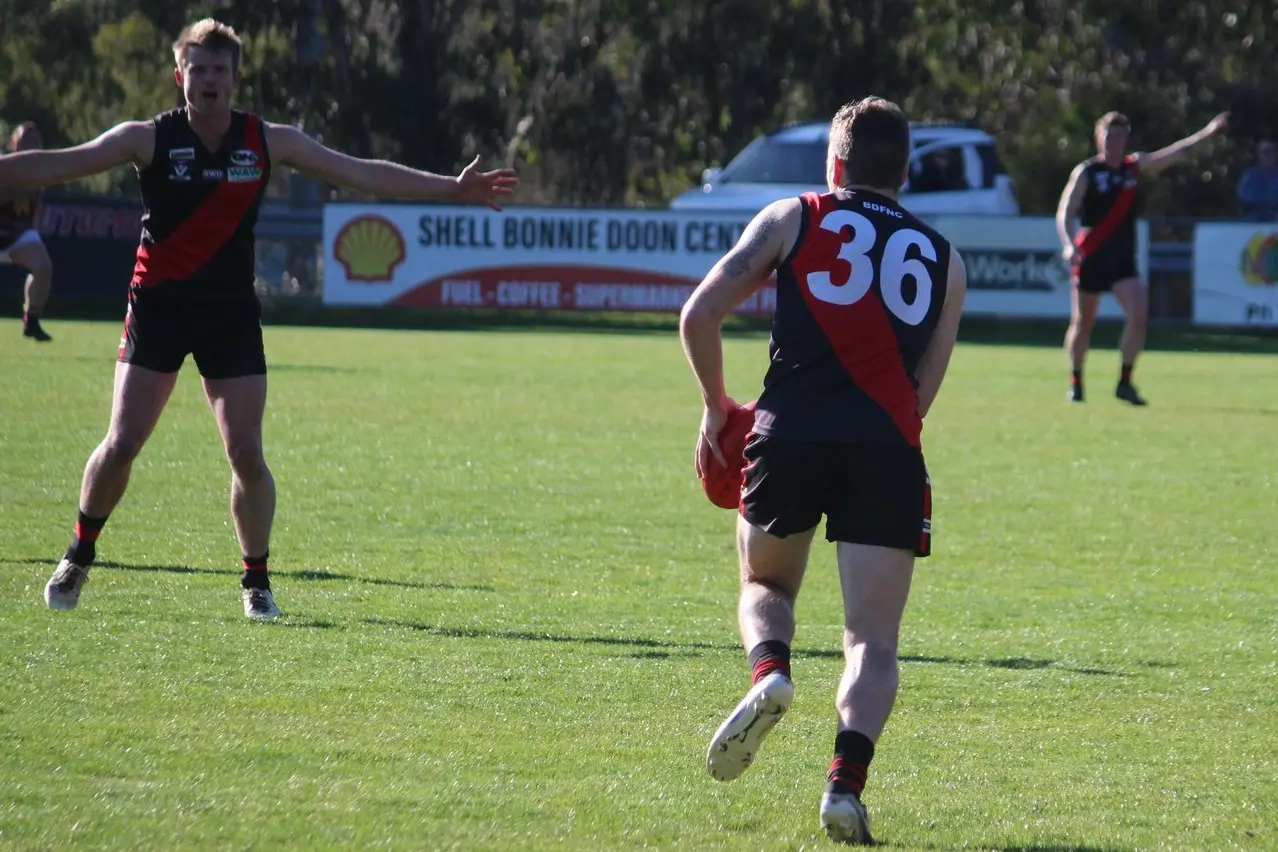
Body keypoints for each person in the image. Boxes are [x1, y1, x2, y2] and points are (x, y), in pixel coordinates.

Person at [0, 18, 517, 621]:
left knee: (246, 451)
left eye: (220, 70)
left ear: (236, 78)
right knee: (122, 444)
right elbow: (61, 163)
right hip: (159, 308)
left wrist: (452, 189)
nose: (209, 80)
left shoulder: (269, 141)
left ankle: (256, 582)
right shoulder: (147, 139)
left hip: (229, 313)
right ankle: (79, 554)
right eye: (199, 69)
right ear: (180, 77)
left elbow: (361, 172)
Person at [679, 96, 967, 845]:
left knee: (766, 585)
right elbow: (921, 395)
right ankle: (844, 787)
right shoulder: (946, 259)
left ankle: (769, 671)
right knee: (872, 641)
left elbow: (698, 315)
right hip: (887, 448)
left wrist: (716, 406)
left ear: (834, 164)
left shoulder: (793, 215)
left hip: (790, 434)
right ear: (904, 172)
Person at [1056, 110, 1228, 405]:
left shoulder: (1133, 167)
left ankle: (1124, 381)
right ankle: (1076, 382)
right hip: (1092, 254)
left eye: (1120, 136)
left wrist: (1208, 133)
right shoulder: (1087, 172)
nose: (1115, 142)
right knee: (1084, 321)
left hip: (1122, 258)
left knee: (1139, 315)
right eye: (1110, 136)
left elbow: (1177, 152)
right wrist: (1069, 244)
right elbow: (1065, 212)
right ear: (1099, 138)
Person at [0, 122, 55, 341]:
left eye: (35, 141)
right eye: (26, 140)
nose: (32, 145)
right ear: (15, 144)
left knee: (43, 267)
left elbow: (35, 205)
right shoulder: (5, 164)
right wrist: (26, 184)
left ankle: (31, 321)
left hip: (16, 234)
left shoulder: (41, 168)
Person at [1237, 138, 1278, 221]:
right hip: (1253, 220)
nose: (1268, 156)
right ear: (1258, 155)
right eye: (1265, 153)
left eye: (1271, 152)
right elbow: (1243, 196)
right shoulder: (1249, 175)